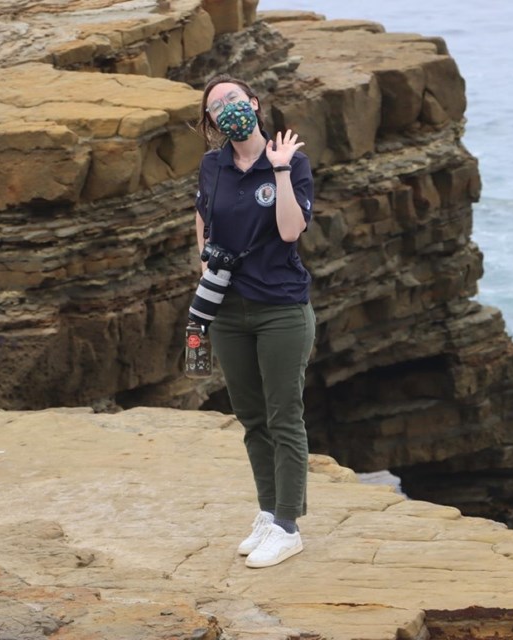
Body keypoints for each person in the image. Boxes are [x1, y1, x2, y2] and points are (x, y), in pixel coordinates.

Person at [194, 74, 316, 568]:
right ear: (211, 121)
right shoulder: (211, 166)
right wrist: (207, 268)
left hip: (281, 308)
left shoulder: (293, 160)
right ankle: (268, 512)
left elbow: (290, 230)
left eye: (234, 99)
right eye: (217, 106)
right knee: (251, 418)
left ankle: (288, 527)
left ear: (254, 103)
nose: (228, 109)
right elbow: (202, 222)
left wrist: (281, 172)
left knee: (283, 414)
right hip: (228, 312)